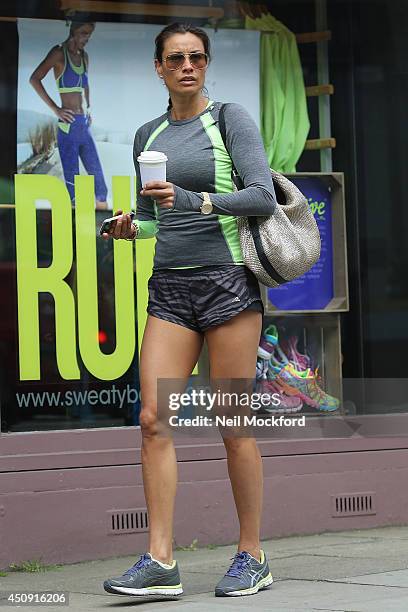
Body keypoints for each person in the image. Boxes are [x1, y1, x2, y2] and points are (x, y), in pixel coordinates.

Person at [102, 22, 277, 598]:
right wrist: (131, 225)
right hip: (170, 289)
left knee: (232, 424)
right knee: (154, 419)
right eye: (175, 58)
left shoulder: (230, 118)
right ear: (159, 67)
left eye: (197, 57)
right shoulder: (147, 134)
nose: (187, 66)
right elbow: (154, 216)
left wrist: (198, 199)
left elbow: (261, 194)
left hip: (227, 284)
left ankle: (251, 554)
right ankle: (160, 560)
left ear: (206, 65)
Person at [29, 21, 108, 209]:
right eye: (83, 33)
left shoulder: (84, 56)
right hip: (68, 125)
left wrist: (89, 107)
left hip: (82, 124)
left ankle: (104, 228)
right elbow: (34, 78)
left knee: (98, 178)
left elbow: (85, 83)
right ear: (73, 31)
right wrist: (56, 109)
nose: (86, 38)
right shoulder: (58, 53)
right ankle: (75, 229)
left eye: (89, 34)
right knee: (72, 178)